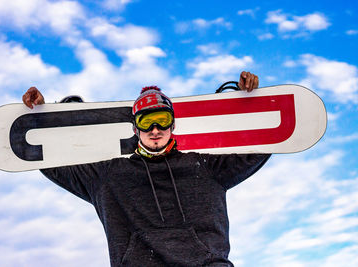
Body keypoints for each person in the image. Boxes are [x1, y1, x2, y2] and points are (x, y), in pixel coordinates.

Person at [22, 71, 269, 267]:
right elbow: (53, 164)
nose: (155, 130)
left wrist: (245, 100)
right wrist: (44, 115)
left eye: (162, 121)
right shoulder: (110, 175)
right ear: (134, 129)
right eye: (146, 121)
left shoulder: (204, 167)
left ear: (173, 125)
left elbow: (262, 147)